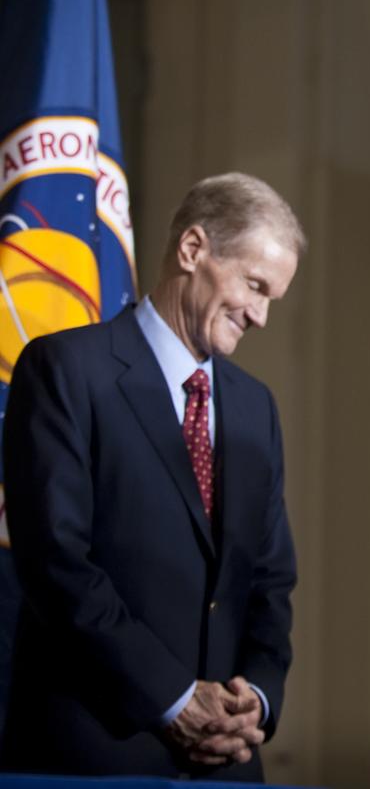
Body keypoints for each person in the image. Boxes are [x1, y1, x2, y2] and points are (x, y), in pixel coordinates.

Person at [1, 172, 304, 778]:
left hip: (226, 759)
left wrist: (257, 700)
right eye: (254, 285)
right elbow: (57, 563)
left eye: (274, 296)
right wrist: (173, 699)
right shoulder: (65, 370)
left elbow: (270, 581)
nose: (262, 316)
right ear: (193, 250)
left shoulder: (254, 407)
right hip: (94, 751)